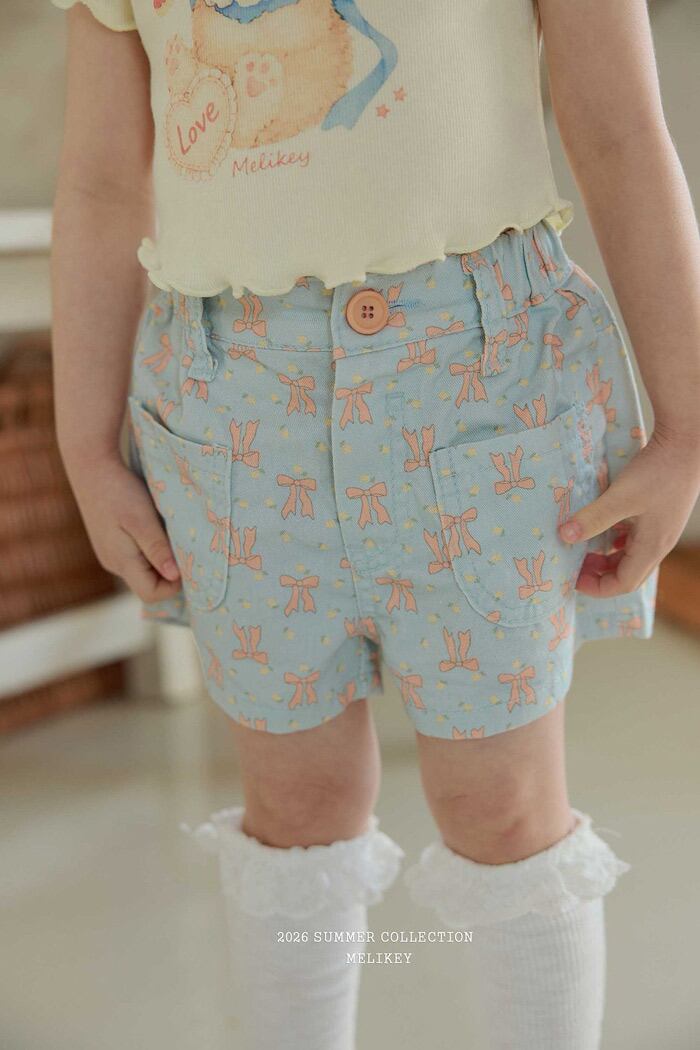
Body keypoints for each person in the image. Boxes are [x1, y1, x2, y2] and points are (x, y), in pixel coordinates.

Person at [50, 1, 700, 1047]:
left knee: (504, 811)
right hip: (232, 419)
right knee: (294, 815)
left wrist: (687, 426)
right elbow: (98, 182)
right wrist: (85, 451)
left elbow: (620, 129)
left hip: (486, 396)